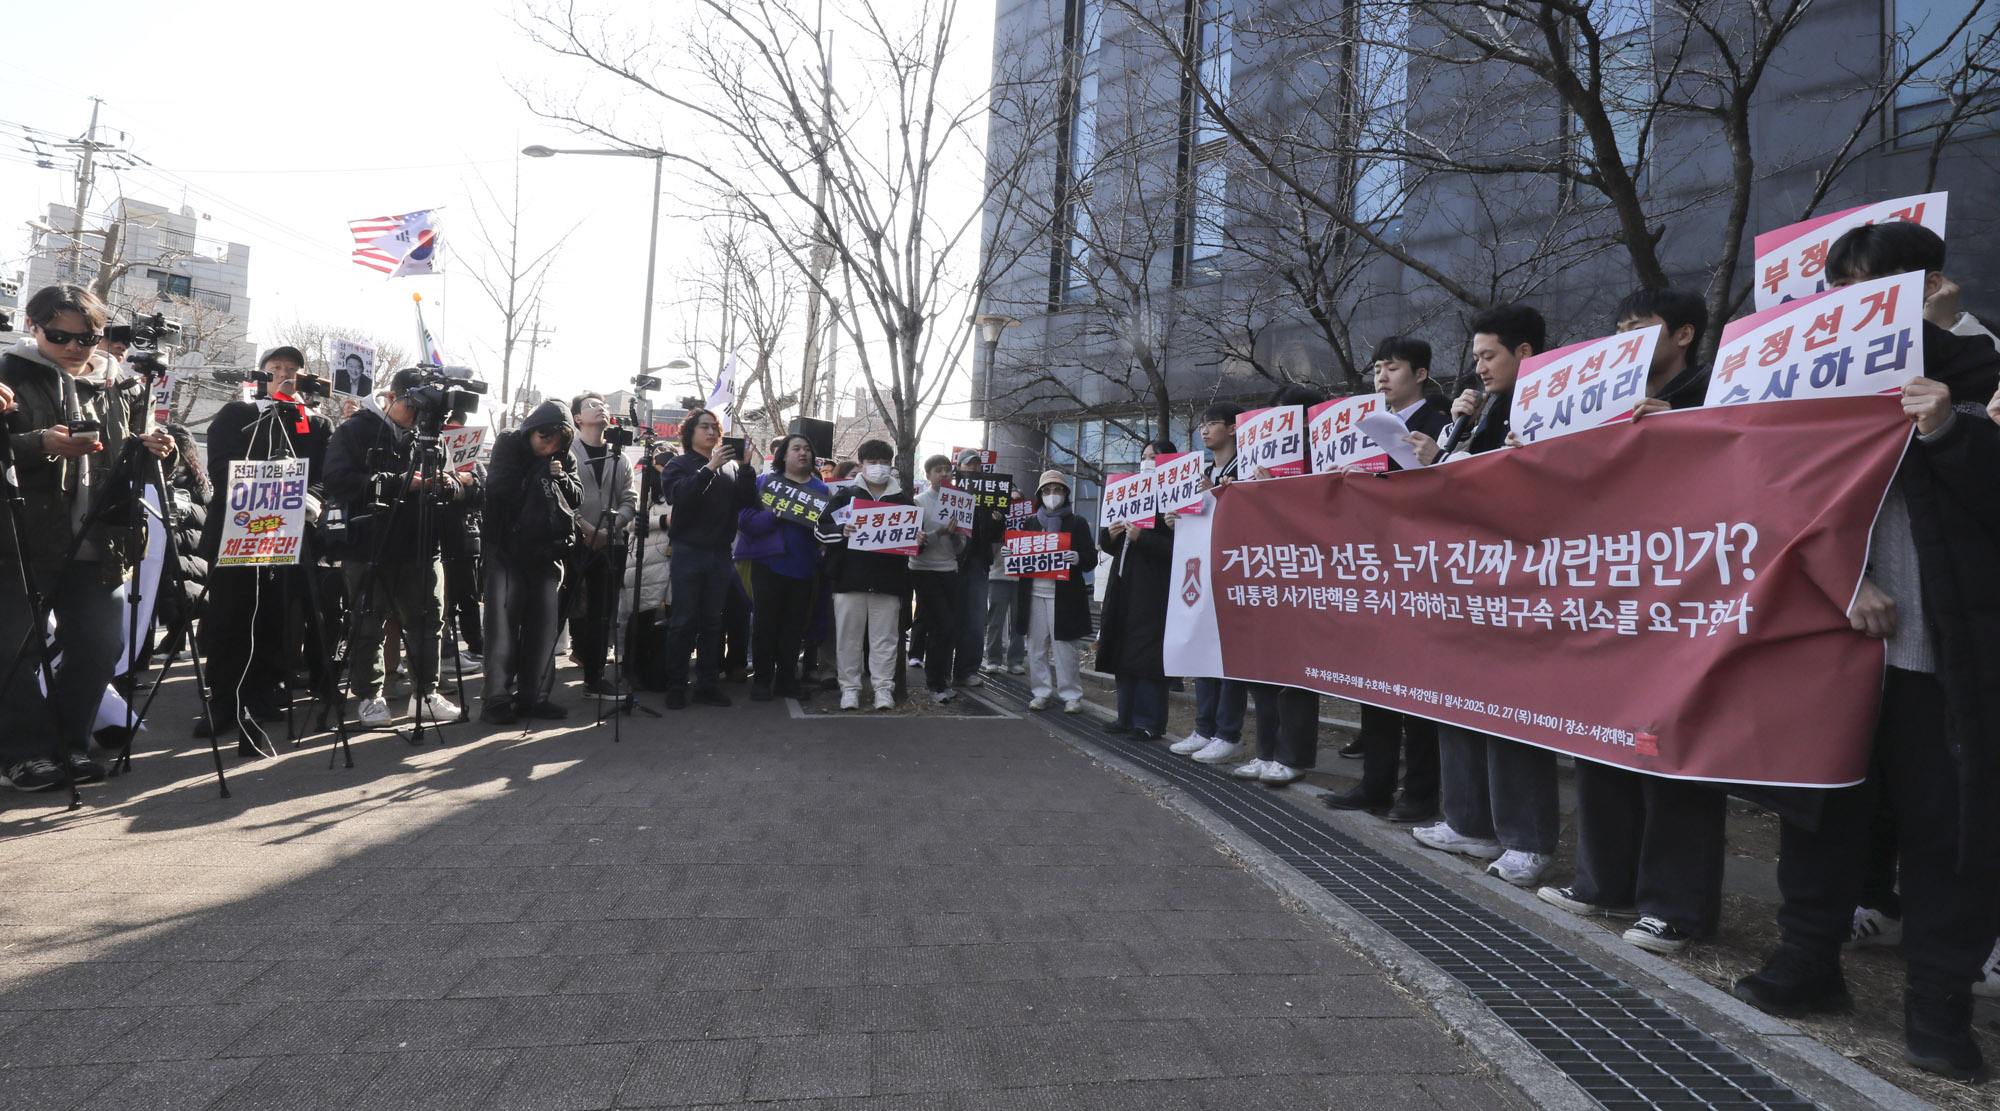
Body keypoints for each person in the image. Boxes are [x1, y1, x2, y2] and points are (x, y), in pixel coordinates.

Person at [1731, 222, 2000, 1081]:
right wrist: (1844, 582)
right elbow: (1772, 496)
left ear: (1930, 288)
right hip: (1835, 643)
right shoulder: (1806, 377)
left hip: (1943, 656)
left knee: (1943, 830)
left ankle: (1939, 1006)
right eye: (1840, 285)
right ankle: (1808, 960)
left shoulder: (1980, 370)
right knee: (1822, 809)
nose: (1849, 302)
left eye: (1869, 283)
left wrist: (1949, 427)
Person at [1529, 288, 1728, 956]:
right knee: (1601, 733)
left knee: (1671, 745)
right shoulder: (1599, 401)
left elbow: (1751, 466)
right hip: (1608, 590)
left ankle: (1674, 907)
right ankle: (1604, 882)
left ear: (1683, 334)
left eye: (1638, 328)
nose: (1623, 341)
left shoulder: (1721, 389)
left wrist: (1686, 426)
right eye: (1617, 329)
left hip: (1686, 593)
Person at [1399, 304, 1562, 888]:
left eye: (1488, 356)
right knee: (1459, 699)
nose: (1480, 368)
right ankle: (1469, 821)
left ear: (1524, 352)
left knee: (1511, 712)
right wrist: (1452, 438)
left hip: (1521, 582)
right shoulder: (1484, 408)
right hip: (1468, 578)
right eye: (1476, 357)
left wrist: (1456, 460)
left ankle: (1527, 840)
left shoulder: (1551, 402)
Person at [0, 285, 175, 790]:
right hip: (19, 538)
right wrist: (40, 443)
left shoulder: (124, 384)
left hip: (102, 537)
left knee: (101, 645)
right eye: (60, 336)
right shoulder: (8, 373)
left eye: (88, 338)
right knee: (12, 647)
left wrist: (154, 449)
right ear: (33, 327)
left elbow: (131, 458)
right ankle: (23, 753)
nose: (75, 347)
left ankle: (68, 744)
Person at [1325, 336, 1448, 815]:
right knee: (1374, 683)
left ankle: (1419, 793)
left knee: (1418, 689)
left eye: (1392, 368)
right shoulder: (1366, 429)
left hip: (1421, 572)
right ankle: (1374, 784)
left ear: (1420, 374)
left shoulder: (1441, 426)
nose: (1381, 377)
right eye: (1377, 368)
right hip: (1374, 571)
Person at [199, 346, 335, 753]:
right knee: (229, 617)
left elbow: (325, 473)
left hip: (288, 535)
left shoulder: (316, 422)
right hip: (238, 531)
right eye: (276, 368)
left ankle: (263, 693)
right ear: (261, 374)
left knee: (276, 618)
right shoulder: (237, 414)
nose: (284, 374)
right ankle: (224, 699)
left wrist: (310, 497)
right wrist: (267, 485)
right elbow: (221, 467)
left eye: (292, 369)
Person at [323, 368, 467, 728]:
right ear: (392, 398)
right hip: (368, 543)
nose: (419, 417)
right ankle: (369, 697)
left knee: (428, 621)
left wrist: (448, 485)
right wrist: (396, 483)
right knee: (367, 622)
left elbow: (453, 480)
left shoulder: (431, 437)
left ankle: (426, 694)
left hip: (422, 543)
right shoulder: (356, 430)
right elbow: (337, 481)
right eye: (414, 408)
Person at [1232, 385, 1328, 786]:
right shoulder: (1258, 459)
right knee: (1262, 670)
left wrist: (1280, 490)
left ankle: (1293, 756)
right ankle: (1265, 752)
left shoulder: (1323, 457)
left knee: (1295, 673)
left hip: (1304, 577)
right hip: (1264, 573)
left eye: (1284, 417)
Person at [479, 400, 581, 724]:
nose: (548, 447)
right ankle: (496, 698)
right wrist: (539, 472)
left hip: (548, 553)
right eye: (543, 438)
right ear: (531, 431)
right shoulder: (509, 442)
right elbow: (500, 488)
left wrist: (561, 478)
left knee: (545, 628)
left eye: (556, 442)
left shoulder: (564, 458)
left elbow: (577, 497)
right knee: (502, 627)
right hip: (506, 551)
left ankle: (535, 696)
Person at [658, 408, 759, 709]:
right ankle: (676, 685)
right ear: (689, 432)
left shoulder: (730, 468)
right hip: (688, 551)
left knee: (713, 623)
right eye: (705, 427)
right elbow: (679, 496)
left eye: (715, 427)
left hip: (720, 552)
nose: (712, 432)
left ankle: (707, 684)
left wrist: (746, 469)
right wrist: (709, 468)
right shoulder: (678, 464)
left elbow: (747, 503)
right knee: (683, 621)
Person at [1177, 402, 1253, 764]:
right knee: (1202, 651)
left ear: (1234, 428)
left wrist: (1219, 496)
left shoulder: (1246, 470)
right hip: (1201, 573)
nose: (1205, 430)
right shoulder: (1203, 472)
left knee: (1229, 657)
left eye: (1212, 424)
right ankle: (1204, 728)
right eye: (1202, 425)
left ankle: (1228, 733)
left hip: (1234, 573)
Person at [815, 439, 913, 711]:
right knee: (848, 638)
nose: (879, 468)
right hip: (850, 580)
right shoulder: (846, 497)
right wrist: (841, 532)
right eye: (872, 463)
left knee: (886, 640)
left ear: (891, 465)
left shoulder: (903, 501)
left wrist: (919, 539)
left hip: (888, 582)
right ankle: (849, 689)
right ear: (861, 465)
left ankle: (883, 689)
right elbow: (821, 529)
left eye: (884, 463)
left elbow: (914, 543)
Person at [737, 433, 827, 701]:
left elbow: (827, 528)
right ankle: (762, 680)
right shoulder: (765, 483)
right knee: (765, 625)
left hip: (804, 566)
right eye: (796, 448)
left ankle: (787, 681)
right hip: (768, 564)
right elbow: (744, 520)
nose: (803, 453)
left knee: (794, 627)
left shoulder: (821, 490)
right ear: (783, 455)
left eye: (807, 449)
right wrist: (772, 518)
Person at [1097, 440, 1176, 739]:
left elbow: (1178, 548)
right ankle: (1126, 717)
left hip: (1154, 588)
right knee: (1123, 651)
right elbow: (1112, 545)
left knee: (1148, 655)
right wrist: (1110, 535)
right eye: (1143, 456)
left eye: (1154, 456)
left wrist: (1143, 537)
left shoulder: (1175, 497)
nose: (1147, 461)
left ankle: (1149, 722)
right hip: (1123, 586)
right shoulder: (1131, 491)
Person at [568, 391, 636, 695]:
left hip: (611, 544)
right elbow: (562, 496)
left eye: (604, 405)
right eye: (593, 405)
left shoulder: (620, 456)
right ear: (578, 418)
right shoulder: (567, 451)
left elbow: (629, 500)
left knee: (601, 612)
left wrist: (611, 529)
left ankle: (594, 678)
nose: (601, 408)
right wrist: (585, 528)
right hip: (574, 541)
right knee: (566, 608)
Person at [1014, 469, 1096, 712]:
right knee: (1036, 647)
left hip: (1065, 596)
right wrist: (1013, 554)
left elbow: (1091, 558)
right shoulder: (1031, 522)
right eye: (1047, 490)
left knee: (1065, 647)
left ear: (1065, 493)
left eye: (1057, 489)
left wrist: (1078, 557)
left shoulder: (1077, 523)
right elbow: (1022, 557)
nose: (1052, 494)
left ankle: (1071, 695)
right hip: (1033, 593)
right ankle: (1041, 692)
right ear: (1040, 494)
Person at [910, 453, 968, 703]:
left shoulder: (960, 501)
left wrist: (953, 536)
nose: (944, 474)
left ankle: (939, 680)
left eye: (947, 469)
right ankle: (934, 684)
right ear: (928, 475)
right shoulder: (918, 502)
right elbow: (914, 545)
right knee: (941, 625)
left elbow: (961, 546)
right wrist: (939, 532)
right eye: (938, 470)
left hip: (949, 570)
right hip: (923, 571)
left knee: (947, 627)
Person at [951, 448, 1002, 687]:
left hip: (978, 563)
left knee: (975, 619)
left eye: (976, 464)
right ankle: (941, 670)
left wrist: (997, 522)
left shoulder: (990, 497)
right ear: (959, 468)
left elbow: (994, 536)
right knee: (949, 618)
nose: (973, 468)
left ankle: (968, 670)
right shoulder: (949, 494)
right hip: (951, 564)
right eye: (968, 464)